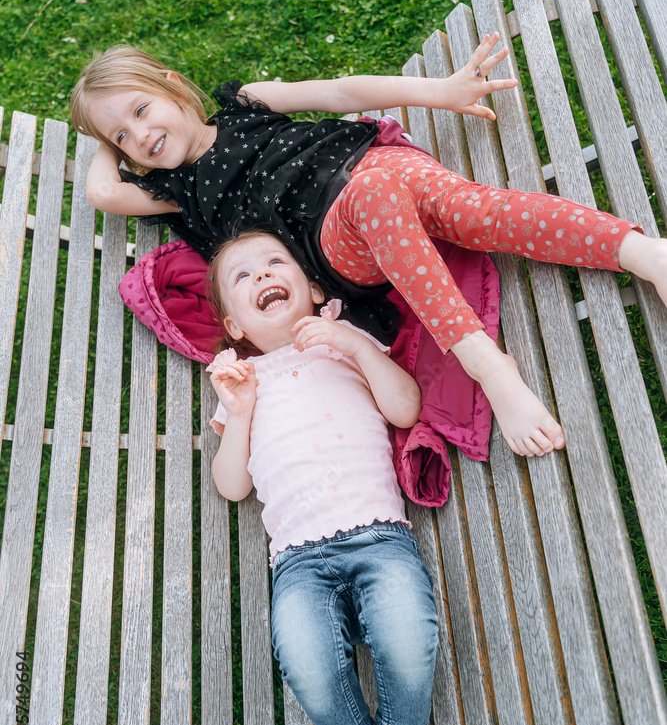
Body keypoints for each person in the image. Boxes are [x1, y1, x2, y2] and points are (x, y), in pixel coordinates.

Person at [71, 39, 667, 458]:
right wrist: (104, 134)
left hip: (375, 164)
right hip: (335, 243)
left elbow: (339, 91)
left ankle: (644, 254)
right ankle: (489, 367)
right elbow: (101, 191)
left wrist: (439, 91)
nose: (142, 135)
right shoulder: (173, 191)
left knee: (469, 210)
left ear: (174, 86)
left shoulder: (244, 102)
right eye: (123, 136)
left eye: (143, 109)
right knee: (377, 192)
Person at [207, 228, 447, 725]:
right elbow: (232, 486)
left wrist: (350, 345)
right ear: (235, 325)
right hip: (298, 560)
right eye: (243, 277)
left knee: (405, 629)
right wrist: (240, 409)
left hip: (378, 534)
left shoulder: (347, 345)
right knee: (306, 657)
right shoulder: (243, 382)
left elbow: (404, 407)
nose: (262, 276)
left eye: (274, 264)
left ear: (313, 289)